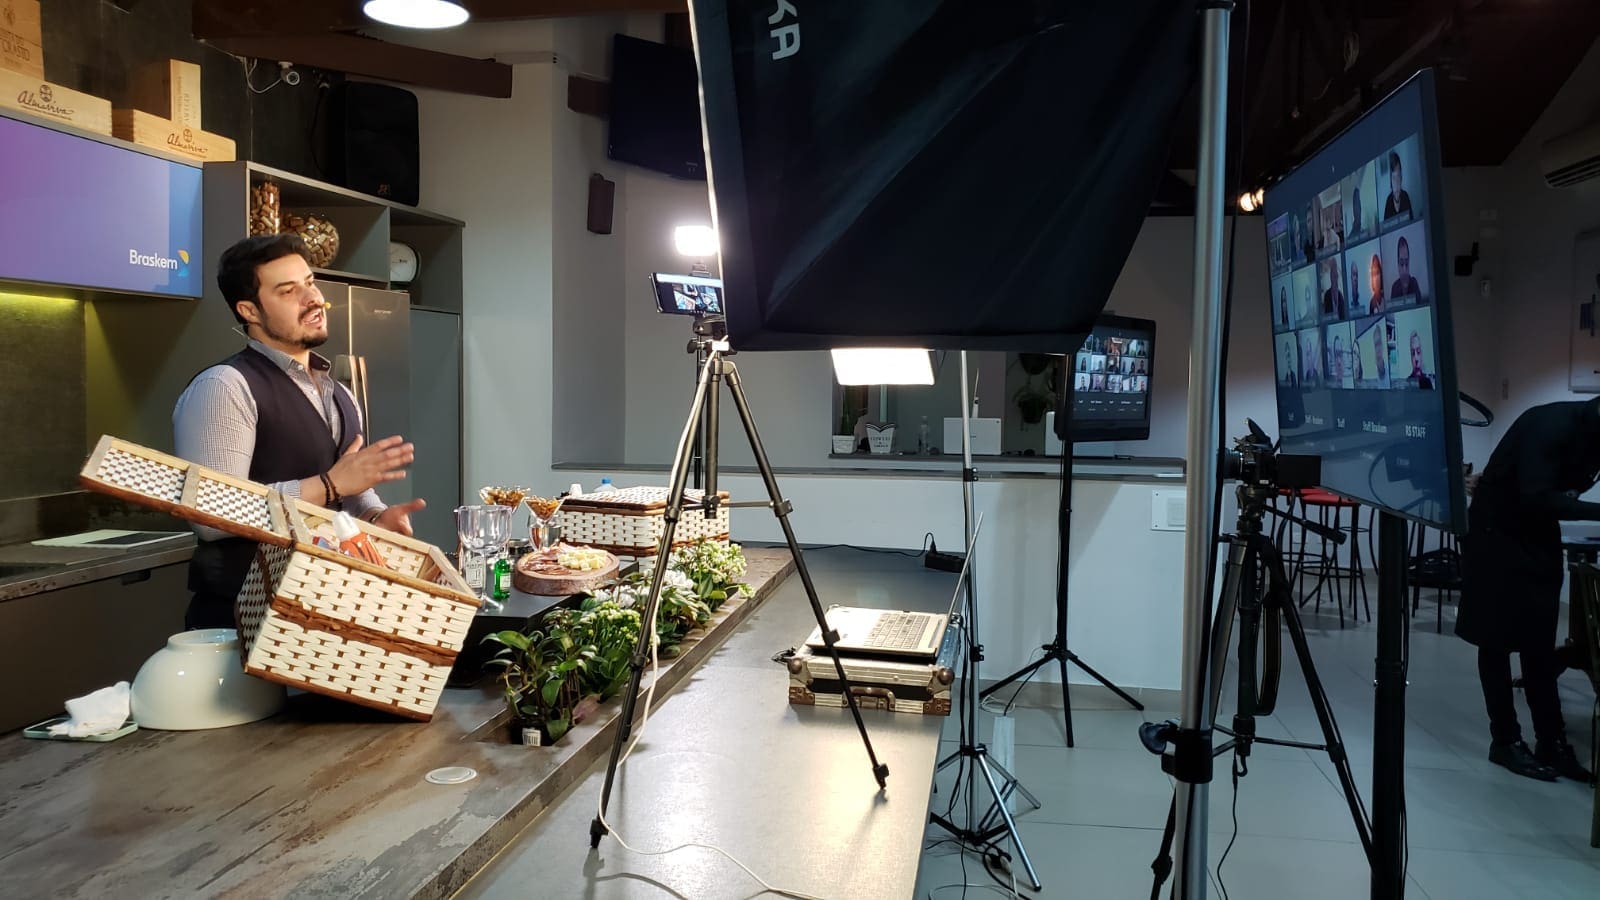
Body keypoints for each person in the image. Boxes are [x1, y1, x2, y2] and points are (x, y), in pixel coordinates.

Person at [173, 235, 426, 630]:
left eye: (310, 283)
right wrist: (328, 485)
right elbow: (213, 515)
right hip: (242, 622)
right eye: (288, 290)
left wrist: (375, 518)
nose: (313, 299)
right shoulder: (224, 386)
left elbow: (350, 492)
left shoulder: (339, 392)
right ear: (249, 310)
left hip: (321, 616)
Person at [1459, 398, 1600, 782]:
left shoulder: (1588, 432)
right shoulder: (1551, 425)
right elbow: (1536, 497)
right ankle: (1505, 740)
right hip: (1496, 532)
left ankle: (1551, 741)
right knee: (1496, 640)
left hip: (1536, 532)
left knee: (1538, 642)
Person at [1383, 151, 1413, 220]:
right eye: (1394, 178)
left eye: (1398, 176)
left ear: (1401, 177)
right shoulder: (1388, 201)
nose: (1396, 183)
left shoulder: (1405, 196)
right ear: (1390, 180)